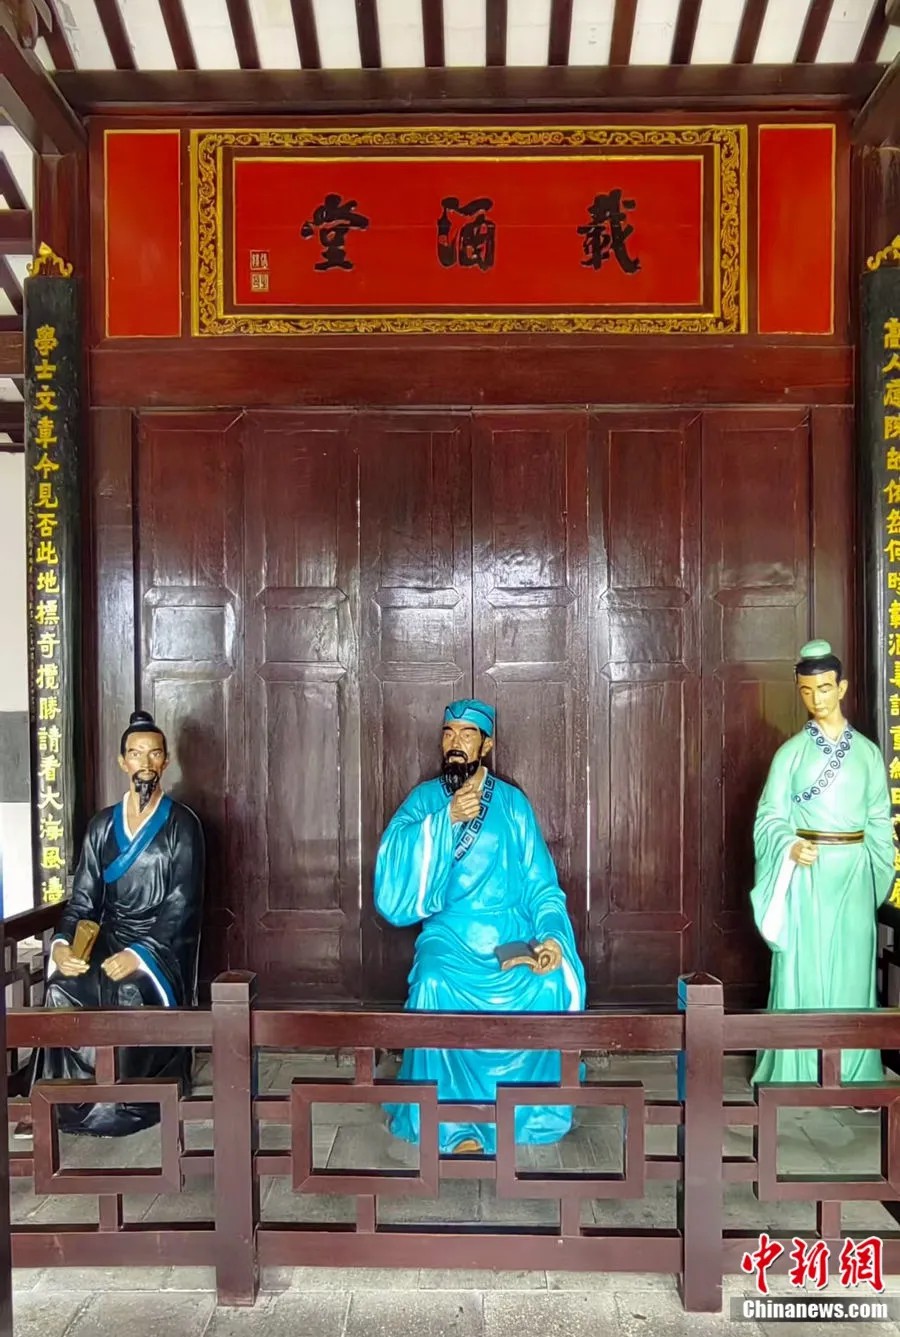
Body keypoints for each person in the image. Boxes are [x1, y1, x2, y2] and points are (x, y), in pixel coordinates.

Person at [374, 698, 586, 1155]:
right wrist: (445, 820)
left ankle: (529, 1113)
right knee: (432, 985)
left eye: (467, 735)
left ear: (486, 745)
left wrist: (551, 937)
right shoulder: (425, 800)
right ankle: (451, 1123)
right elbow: (391, 874)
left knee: (549, 984)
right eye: (448, 734)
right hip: (449, 936)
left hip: (510, 936)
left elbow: (542, 887)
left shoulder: (512, 805)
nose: (455, 743)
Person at [33, 709, 205, 1136]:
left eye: (154, 753)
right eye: (136, 753)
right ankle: (68, 1102)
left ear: (166, 761)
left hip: (158, 951)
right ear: (122, 761)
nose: (145, 763)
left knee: (130, 990)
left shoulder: (183, 825)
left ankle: (129, 1104)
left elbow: (182, 905)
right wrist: (62, 947)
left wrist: (139, 955)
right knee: (62, 987)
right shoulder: (100, 826)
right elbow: (83, 901)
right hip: (108, 940)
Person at [749, 641, 894, 1085]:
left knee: (852, 974)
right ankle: (798, 1070)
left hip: (853, 876)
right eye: (807, 691)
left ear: (842, 688)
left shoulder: (868, 754)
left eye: (825, 688)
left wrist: (873, 873)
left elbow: (879, 820)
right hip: (806, 877)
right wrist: (789, 846)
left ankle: (856, 1071)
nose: (817, 699)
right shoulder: (790, 753)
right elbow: (769, 817)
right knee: (804, 973)